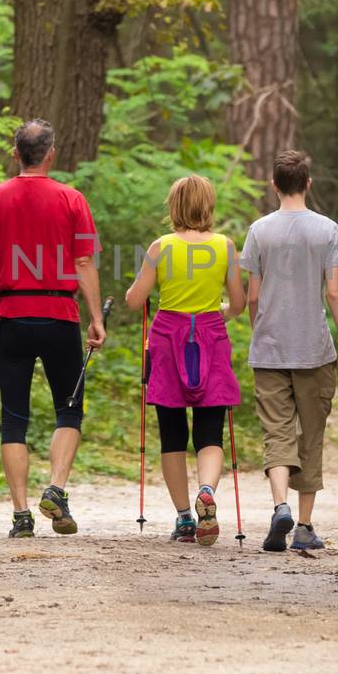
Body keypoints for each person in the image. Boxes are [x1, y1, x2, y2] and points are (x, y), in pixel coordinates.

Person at [0, 119, 106, 538]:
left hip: (10, 318)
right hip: (60, 315)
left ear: (15, 154)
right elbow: (83, 263)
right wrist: (96, 316)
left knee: (13, 419)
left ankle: (21, 515)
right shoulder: (71, 199)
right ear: (51, 154)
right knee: (69, 409)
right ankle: (56, 489)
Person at [240, 148, 338, 553]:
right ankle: (304, 526)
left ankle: (279, 507)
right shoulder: (326, 229)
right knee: (311, 434)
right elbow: (334, 291)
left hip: (270, 349)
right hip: (314, 349)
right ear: (308, 183)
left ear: (274, 184)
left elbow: (253, 296)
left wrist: (261, 329)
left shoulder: (259, 231)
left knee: (276, 432)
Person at [124, 174, 246, 546]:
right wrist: (219, 312)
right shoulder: (225, 247)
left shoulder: (161, 247)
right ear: (208, 206)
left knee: (172, 433)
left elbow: (133, 300)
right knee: (210, 431)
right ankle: (207, 489)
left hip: (167, 338)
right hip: (210, 336)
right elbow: (239, 304)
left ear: (173, 207)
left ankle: (184, 519)